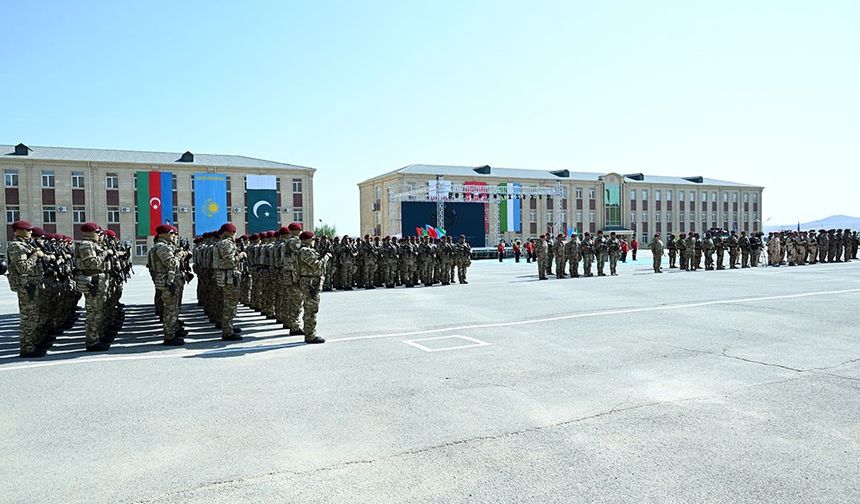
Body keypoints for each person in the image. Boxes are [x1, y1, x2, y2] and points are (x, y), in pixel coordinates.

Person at [7, 220, 48, 357]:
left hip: (33, 284)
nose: (31, 232)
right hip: (27, 286)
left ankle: (32, 344)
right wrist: (36, 255)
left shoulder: (27, 245)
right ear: (18, 231)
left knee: (34, 316)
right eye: (28, 230)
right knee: (28, 317)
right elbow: (23, 267)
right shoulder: (17, 247)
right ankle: (27, 348)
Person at [73, 222, 112, 352]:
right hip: (92, 282)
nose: (99, 235)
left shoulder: (93, 245)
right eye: (97, 232)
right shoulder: (86, 245)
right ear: (89, 233)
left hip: (97, 281)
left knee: (97, 311)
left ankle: (97, 338)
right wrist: (105, 253)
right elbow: (92, 263)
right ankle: (92, 342)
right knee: (93, 313)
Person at [150, 224, 185, 346]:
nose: (174, 236)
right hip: (168, 282)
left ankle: (173, 330)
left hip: (168, 281)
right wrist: (180, 254)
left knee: (172, 308)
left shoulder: (161, 246)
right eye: (172, 233)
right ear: (164, 234)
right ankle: (169, 337)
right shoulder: (162, 247)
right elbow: (172, 264)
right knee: (170, 309)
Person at [213, 223, 246, 341]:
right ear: (232, 232)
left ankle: (228, 327)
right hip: (229, 277)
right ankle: (227, 332)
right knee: (230, 305)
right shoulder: (226, 244)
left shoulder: (222, 243)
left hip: (227, 276)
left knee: (228, 304)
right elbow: (230, 262)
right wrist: (241, 255)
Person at [296, 231, 327, 344]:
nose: (314, 241)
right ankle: (310, 335)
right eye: (312, 239)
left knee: (309, 308)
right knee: (311, 309)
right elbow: (317, 266)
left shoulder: (305, 251)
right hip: (310, 282)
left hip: (309, 281)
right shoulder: (305, 251)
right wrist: (326, 258)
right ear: (307, 240)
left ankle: (308, 332)